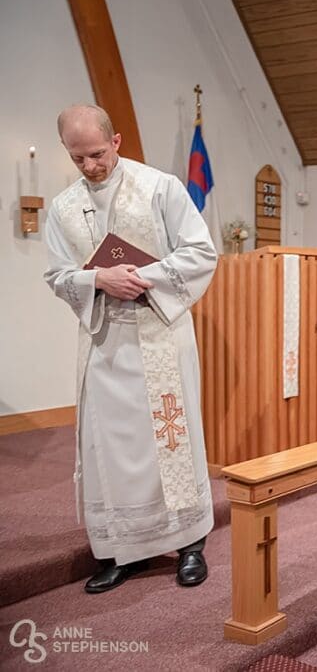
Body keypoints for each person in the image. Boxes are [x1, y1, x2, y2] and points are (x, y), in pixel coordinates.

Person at [43, 105, 217, 593]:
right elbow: (57, 274)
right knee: (112, 445)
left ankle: (189, 544)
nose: (90, 166)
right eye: (78, 159)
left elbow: (201, 252)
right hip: (105, 340)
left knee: (172, 437)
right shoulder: (62, 207)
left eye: (97, 154)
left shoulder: (160, 187)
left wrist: (141, 277)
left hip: (159, 329)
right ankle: (124, 549)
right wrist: (98, 278)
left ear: (116, 140)